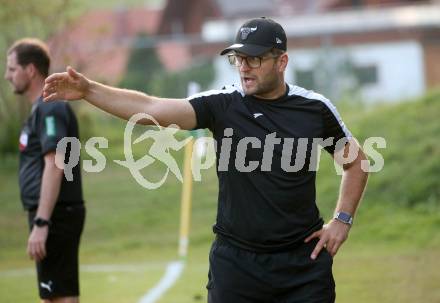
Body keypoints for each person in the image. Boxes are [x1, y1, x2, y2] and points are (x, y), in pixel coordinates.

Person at [43, 17, 368, 303]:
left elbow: (356, 163)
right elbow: (152, 110)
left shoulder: (314, 108)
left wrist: (342, 219)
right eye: (239, 58)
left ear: (281, 61)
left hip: (302, 264)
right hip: (237, 267)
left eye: (254, 59)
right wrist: (89, 90)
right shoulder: (223, 105)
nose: (243, 66)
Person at [5, 38, 85, 303]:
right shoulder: (40, 108)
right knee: (53, 297)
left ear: (30, 70)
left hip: (56, 215)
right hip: (52, 215)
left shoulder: (50, 106)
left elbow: (56, 163)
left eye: (12, 69)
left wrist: (41, 222)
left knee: (60, 297)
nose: (7, 76)